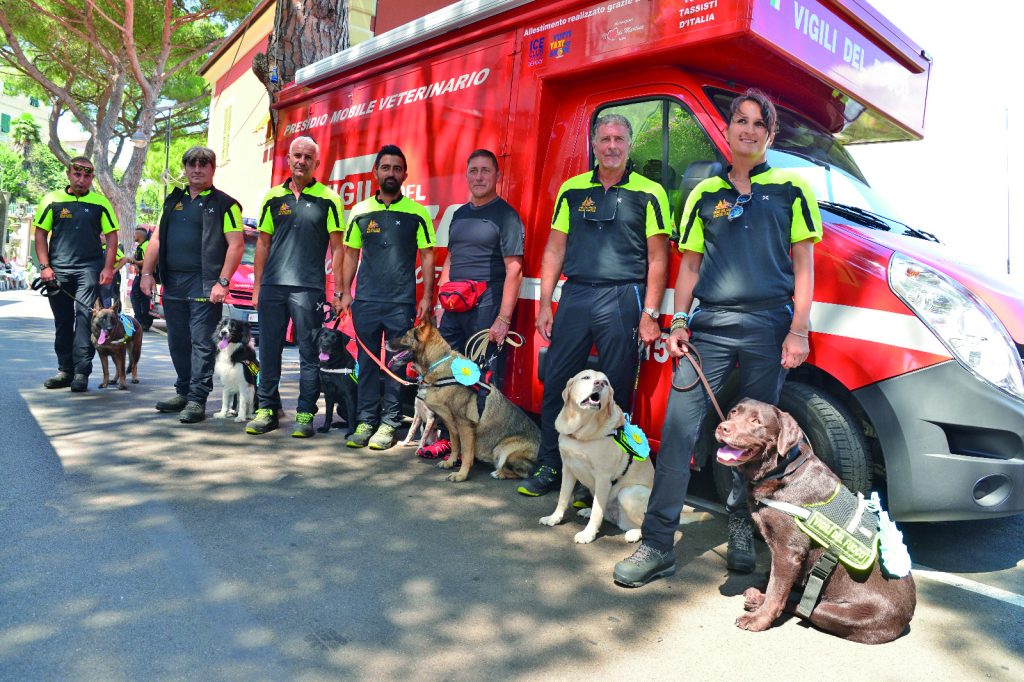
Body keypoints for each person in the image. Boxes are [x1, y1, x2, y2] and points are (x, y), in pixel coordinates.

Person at [613, 89, 821, 587]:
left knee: (751, 443)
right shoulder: (704, 194)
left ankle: (743, 531)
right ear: (727, 130)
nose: (748, 130)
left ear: (769, 135)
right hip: (708, 332)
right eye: (740, 121)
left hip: (770, 329)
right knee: (680, 434)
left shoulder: (793, 188)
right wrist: (678, 322)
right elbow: (689, 264)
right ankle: (657, 544)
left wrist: (798, 330)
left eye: (758, 124)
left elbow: (804, 266)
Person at [518, 114, 670, 497]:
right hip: (576, 295)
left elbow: (658, 258)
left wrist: (650, 314)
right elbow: (555, 247)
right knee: (558, 383)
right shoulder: (572, 190)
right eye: (605, 139)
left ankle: (603, 479)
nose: (612, 146)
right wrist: (545, 304)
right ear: (594, 144)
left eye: (619, 139)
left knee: (613, 392)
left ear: (630, 145)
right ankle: (551, 463)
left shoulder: (651, 192)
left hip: (623, 296)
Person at [421, 149, 525, 459]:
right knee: (445, 376)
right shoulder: (459, 214)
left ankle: (481, 446)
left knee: (479, 380)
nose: (479, 177)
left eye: (485, 171)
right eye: (474, 171)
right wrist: (441, 303)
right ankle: (448, 440)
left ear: (497, 177)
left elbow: (515, 270)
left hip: (487, 309)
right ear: (467, 175)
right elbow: (451, 259)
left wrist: (503, 319)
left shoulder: (505, 215)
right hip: (454, 309)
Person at [335, 144, 436, 451]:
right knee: (366, 362)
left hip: (400, 303)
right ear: (375, 172)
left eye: (396, 168)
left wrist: (427, 298)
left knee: (394, 365)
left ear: (405, 174)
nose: (391, 173)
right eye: (386, 167)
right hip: (365, 301)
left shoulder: (417, 214)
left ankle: (389, 424)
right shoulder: (361, 211)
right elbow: (350, 255)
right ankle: (366, 420)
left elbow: (428, 257)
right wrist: (344, 293)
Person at [246, 136, 345, 437]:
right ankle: (266, 411)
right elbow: (262, 243)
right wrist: (257, 286)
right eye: (296, 156)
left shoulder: (330, 199)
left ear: (317, 163)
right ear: (288, 159)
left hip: (308, 289)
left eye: (307, 157)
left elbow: (338, 249)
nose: (301, 161)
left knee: (308, 355)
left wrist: (338, 291)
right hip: (273, 288)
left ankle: (305, 414)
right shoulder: (272, 197)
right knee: (269, 351)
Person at [140, 146, 245, 424]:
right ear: (185, 168)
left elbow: (236, 245)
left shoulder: (226, 204)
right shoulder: (172, 201)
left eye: (203, 164)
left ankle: (197, 399)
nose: (197, 168)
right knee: (177, 341)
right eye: (191, 164)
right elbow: (157, 240)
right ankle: (183, 391)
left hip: (204, 283)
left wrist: (222, 281)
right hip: (173, 283)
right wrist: (147, 273)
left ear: (212, 168)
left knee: (201, 343)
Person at [33, 156, 119, 392]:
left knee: (84, 319)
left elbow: (112, 238)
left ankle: (81, 372)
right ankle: (65, 370)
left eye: (87, 175)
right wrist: (44, 267)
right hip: (57, 271)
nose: (82, 180)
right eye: (77, 174)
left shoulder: (100, 203)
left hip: (88, 269)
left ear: (92, 177)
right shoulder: (52, 200)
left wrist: (108, 268)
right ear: (69, 174)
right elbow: (40, 234)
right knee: (63, 321)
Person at [129, 226, 153, 330]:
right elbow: (133, 257)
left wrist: (134, 262)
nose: (134, 236)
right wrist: (134, 263)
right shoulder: (140, 246)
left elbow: (147, 260)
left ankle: (144, 321)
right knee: (135, 297)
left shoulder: (147, 245)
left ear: (139, 235)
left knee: (143, 300)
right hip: (139, 276)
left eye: (135, 234)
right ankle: (138, 319)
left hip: (145, 276)